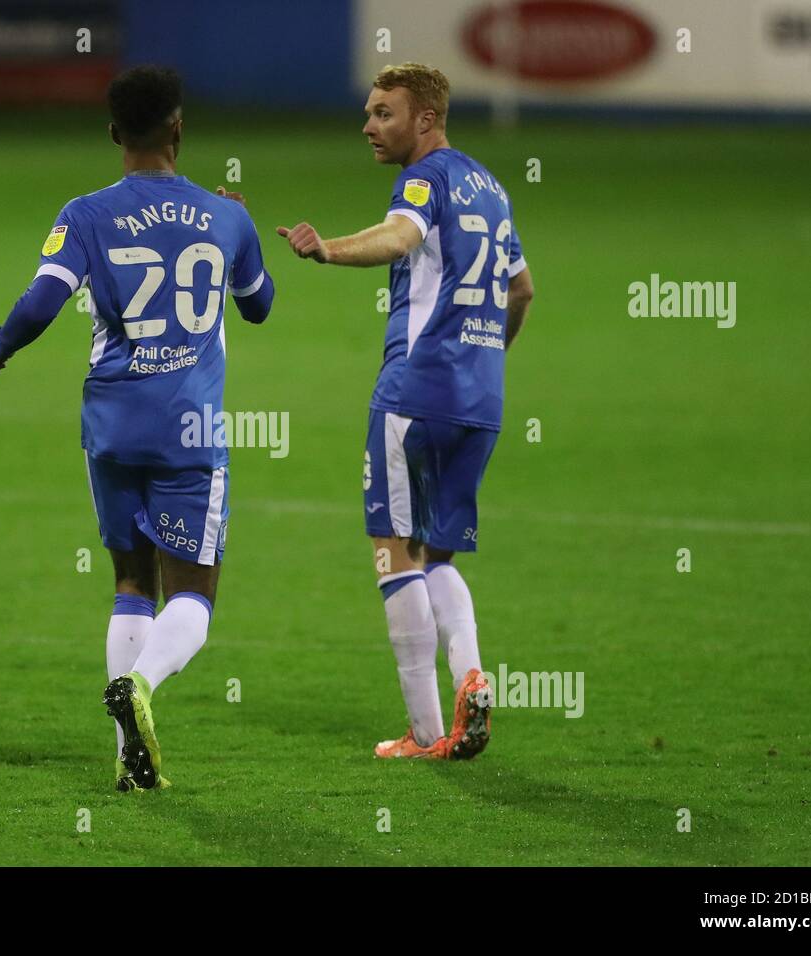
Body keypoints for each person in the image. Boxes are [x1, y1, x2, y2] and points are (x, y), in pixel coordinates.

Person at [0, 66, 275, 789]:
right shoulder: (225, 216)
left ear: (114, 133)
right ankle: (140, 686)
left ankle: (128, 764)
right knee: (195, 598)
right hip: (190, 432)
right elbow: (260, 304)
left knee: (129, 582)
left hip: (110, 426)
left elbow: (44, 299)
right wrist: (237, 227)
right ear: (179, 129)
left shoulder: (84, 213)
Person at [276, 62, 534, 760]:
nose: (368, 125)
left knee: (394, 553)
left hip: (414, 395)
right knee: (436, 552)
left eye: (383, 113)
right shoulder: (493, 187)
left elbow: (399, 236)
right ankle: (473, 675)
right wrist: (485, 360)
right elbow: (522, 292)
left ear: (425, 119)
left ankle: (425, 735)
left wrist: (327, 249)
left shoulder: (422, 181)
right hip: (481, 401)